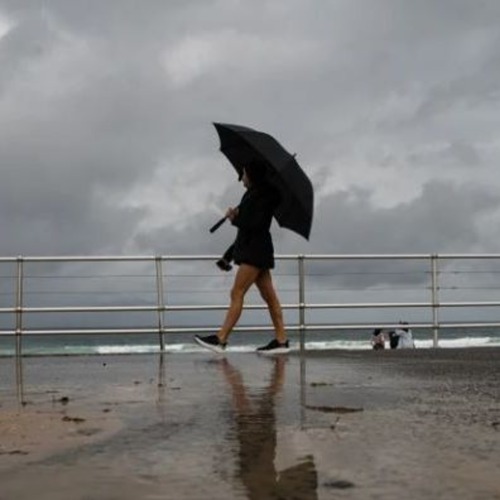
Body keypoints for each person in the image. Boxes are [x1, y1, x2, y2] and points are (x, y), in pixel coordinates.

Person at [195, 161, 289, 354]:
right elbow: (245, 232)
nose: (242, 179)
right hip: (256, 250)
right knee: (270, 297)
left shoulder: (263, 196)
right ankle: (281, 341)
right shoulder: (252, 195)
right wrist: (227, 256)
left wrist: (235, 219)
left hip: (254, 252)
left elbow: (256, 225)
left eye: (244, 174)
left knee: (236, 293)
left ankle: (221, 339)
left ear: (252, 175)